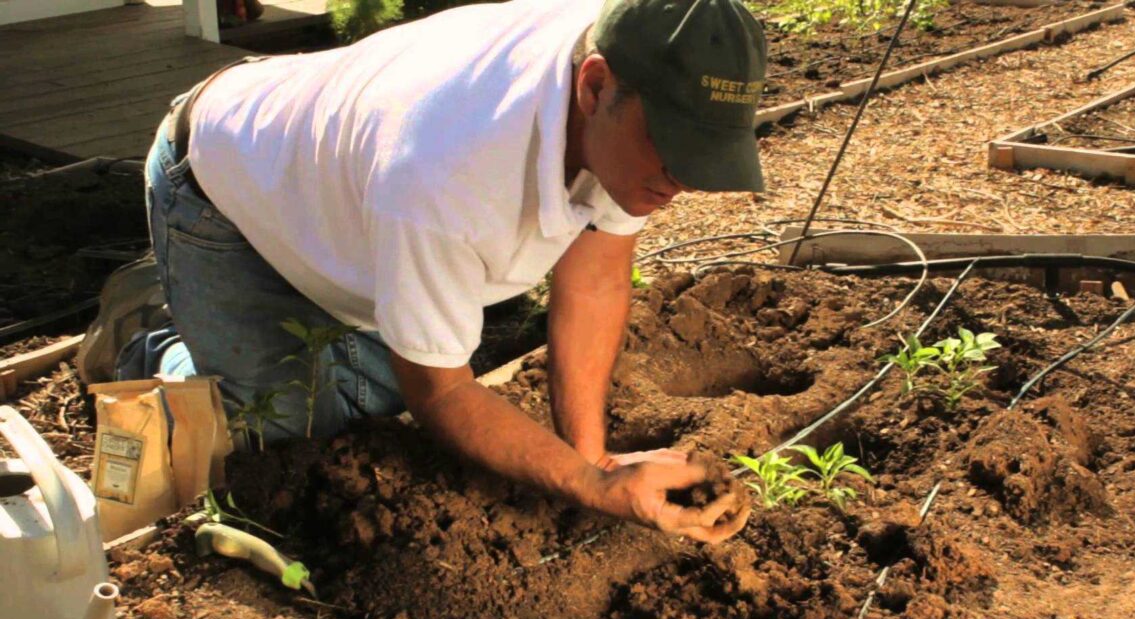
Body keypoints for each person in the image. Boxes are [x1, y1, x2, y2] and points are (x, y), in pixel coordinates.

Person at [122, 0, 766, 543]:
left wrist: (592, 458)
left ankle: (294, 323)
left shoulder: (634, 63)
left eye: (702, 155)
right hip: (224, 190)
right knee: (295, 432)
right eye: (672, 150)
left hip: (349, 198)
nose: (681, 180)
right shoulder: (448, 172)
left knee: (392, 385)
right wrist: (593, 487)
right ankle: (151, 340)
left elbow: (595, 273)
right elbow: (443, 394)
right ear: (594, 87)